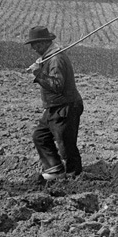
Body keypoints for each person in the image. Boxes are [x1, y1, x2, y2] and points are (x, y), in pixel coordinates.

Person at [25, 26, 84, 181]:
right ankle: (55, 168)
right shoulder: (48, 57)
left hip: (65, 106)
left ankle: (74, 175)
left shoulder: (56, 59)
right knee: (40, 136)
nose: (33, 48)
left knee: (66, 145)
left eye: (35, 44)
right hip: (54, 107)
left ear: (45, 43)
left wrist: (38, 74)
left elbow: (57, 86)